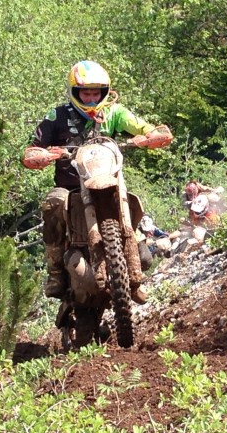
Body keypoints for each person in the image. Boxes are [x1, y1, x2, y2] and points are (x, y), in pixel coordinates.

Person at [22, 60, 173, 303]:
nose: (91, 99)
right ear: (75, 92)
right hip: (70, 187)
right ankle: (56, 272)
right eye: (86, 93)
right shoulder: (58, 115)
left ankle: (136, 261)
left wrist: (151, 135)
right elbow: (34, 146)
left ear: (104, 92)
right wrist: (39, 154)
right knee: (52, 204)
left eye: (96, 93)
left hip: (106, 181)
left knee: (130, 200)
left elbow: (141, 127)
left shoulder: (115, 112)